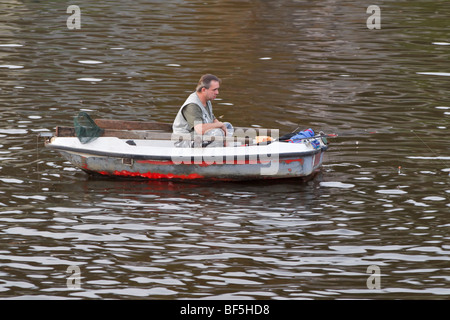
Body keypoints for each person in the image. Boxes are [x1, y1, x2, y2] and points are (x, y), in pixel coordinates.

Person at [172, 74, 233, 147]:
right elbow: (199, 129)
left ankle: (221, 148)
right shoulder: (193, 105)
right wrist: (220, 125)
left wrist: (224, 130)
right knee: (217, 133)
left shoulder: (207, 101)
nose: (217, 92)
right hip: (185, 141)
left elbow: (213, 119)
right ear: (204, 90)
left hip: (198, 136)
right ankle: (214, 156)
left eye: (217, 89)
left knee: (228, 126)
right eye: (214, 90)